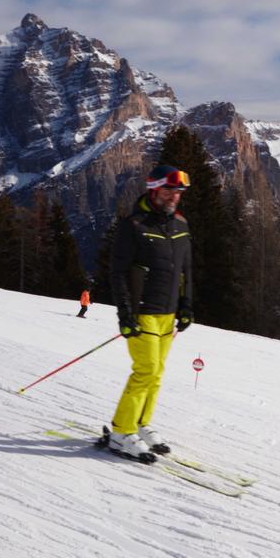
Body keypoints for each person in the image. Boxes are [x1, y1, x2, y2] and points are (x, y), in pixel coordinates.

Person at [108, 164, 193, 462]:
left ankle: (141, 424)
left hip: (168, 314)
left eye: (178, 191)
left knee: (156, 373)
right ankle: (120, 432)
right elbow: (117, 273)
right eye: (169, 190)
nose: (174, 196)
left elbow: (186, 271)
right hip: (142, 313)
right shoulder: (133, 226)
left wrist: (186, 306)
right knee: (145, 370)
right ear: (154, 188)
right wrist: (126, 316)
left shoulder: (181, 225)